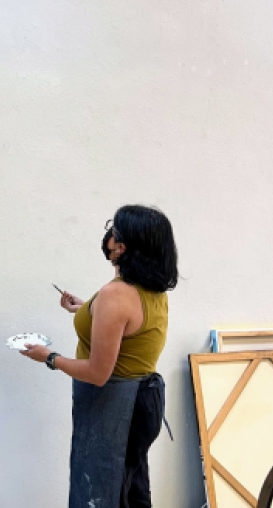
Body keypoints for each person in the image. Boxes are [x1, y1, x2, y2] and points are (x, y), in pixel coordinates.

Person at [21, 204, 178, 508]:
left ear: (123, 247)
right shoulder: (152, 289)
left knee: (100, 493)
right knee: (128, 490)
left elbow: (98, 373)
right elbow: (129, 327)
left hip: (113, 405)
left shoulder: (115, 295)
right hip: (144, 400)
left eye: (114, 231)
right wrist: (87, 309)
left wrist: (49, 357)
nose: (109, 236)